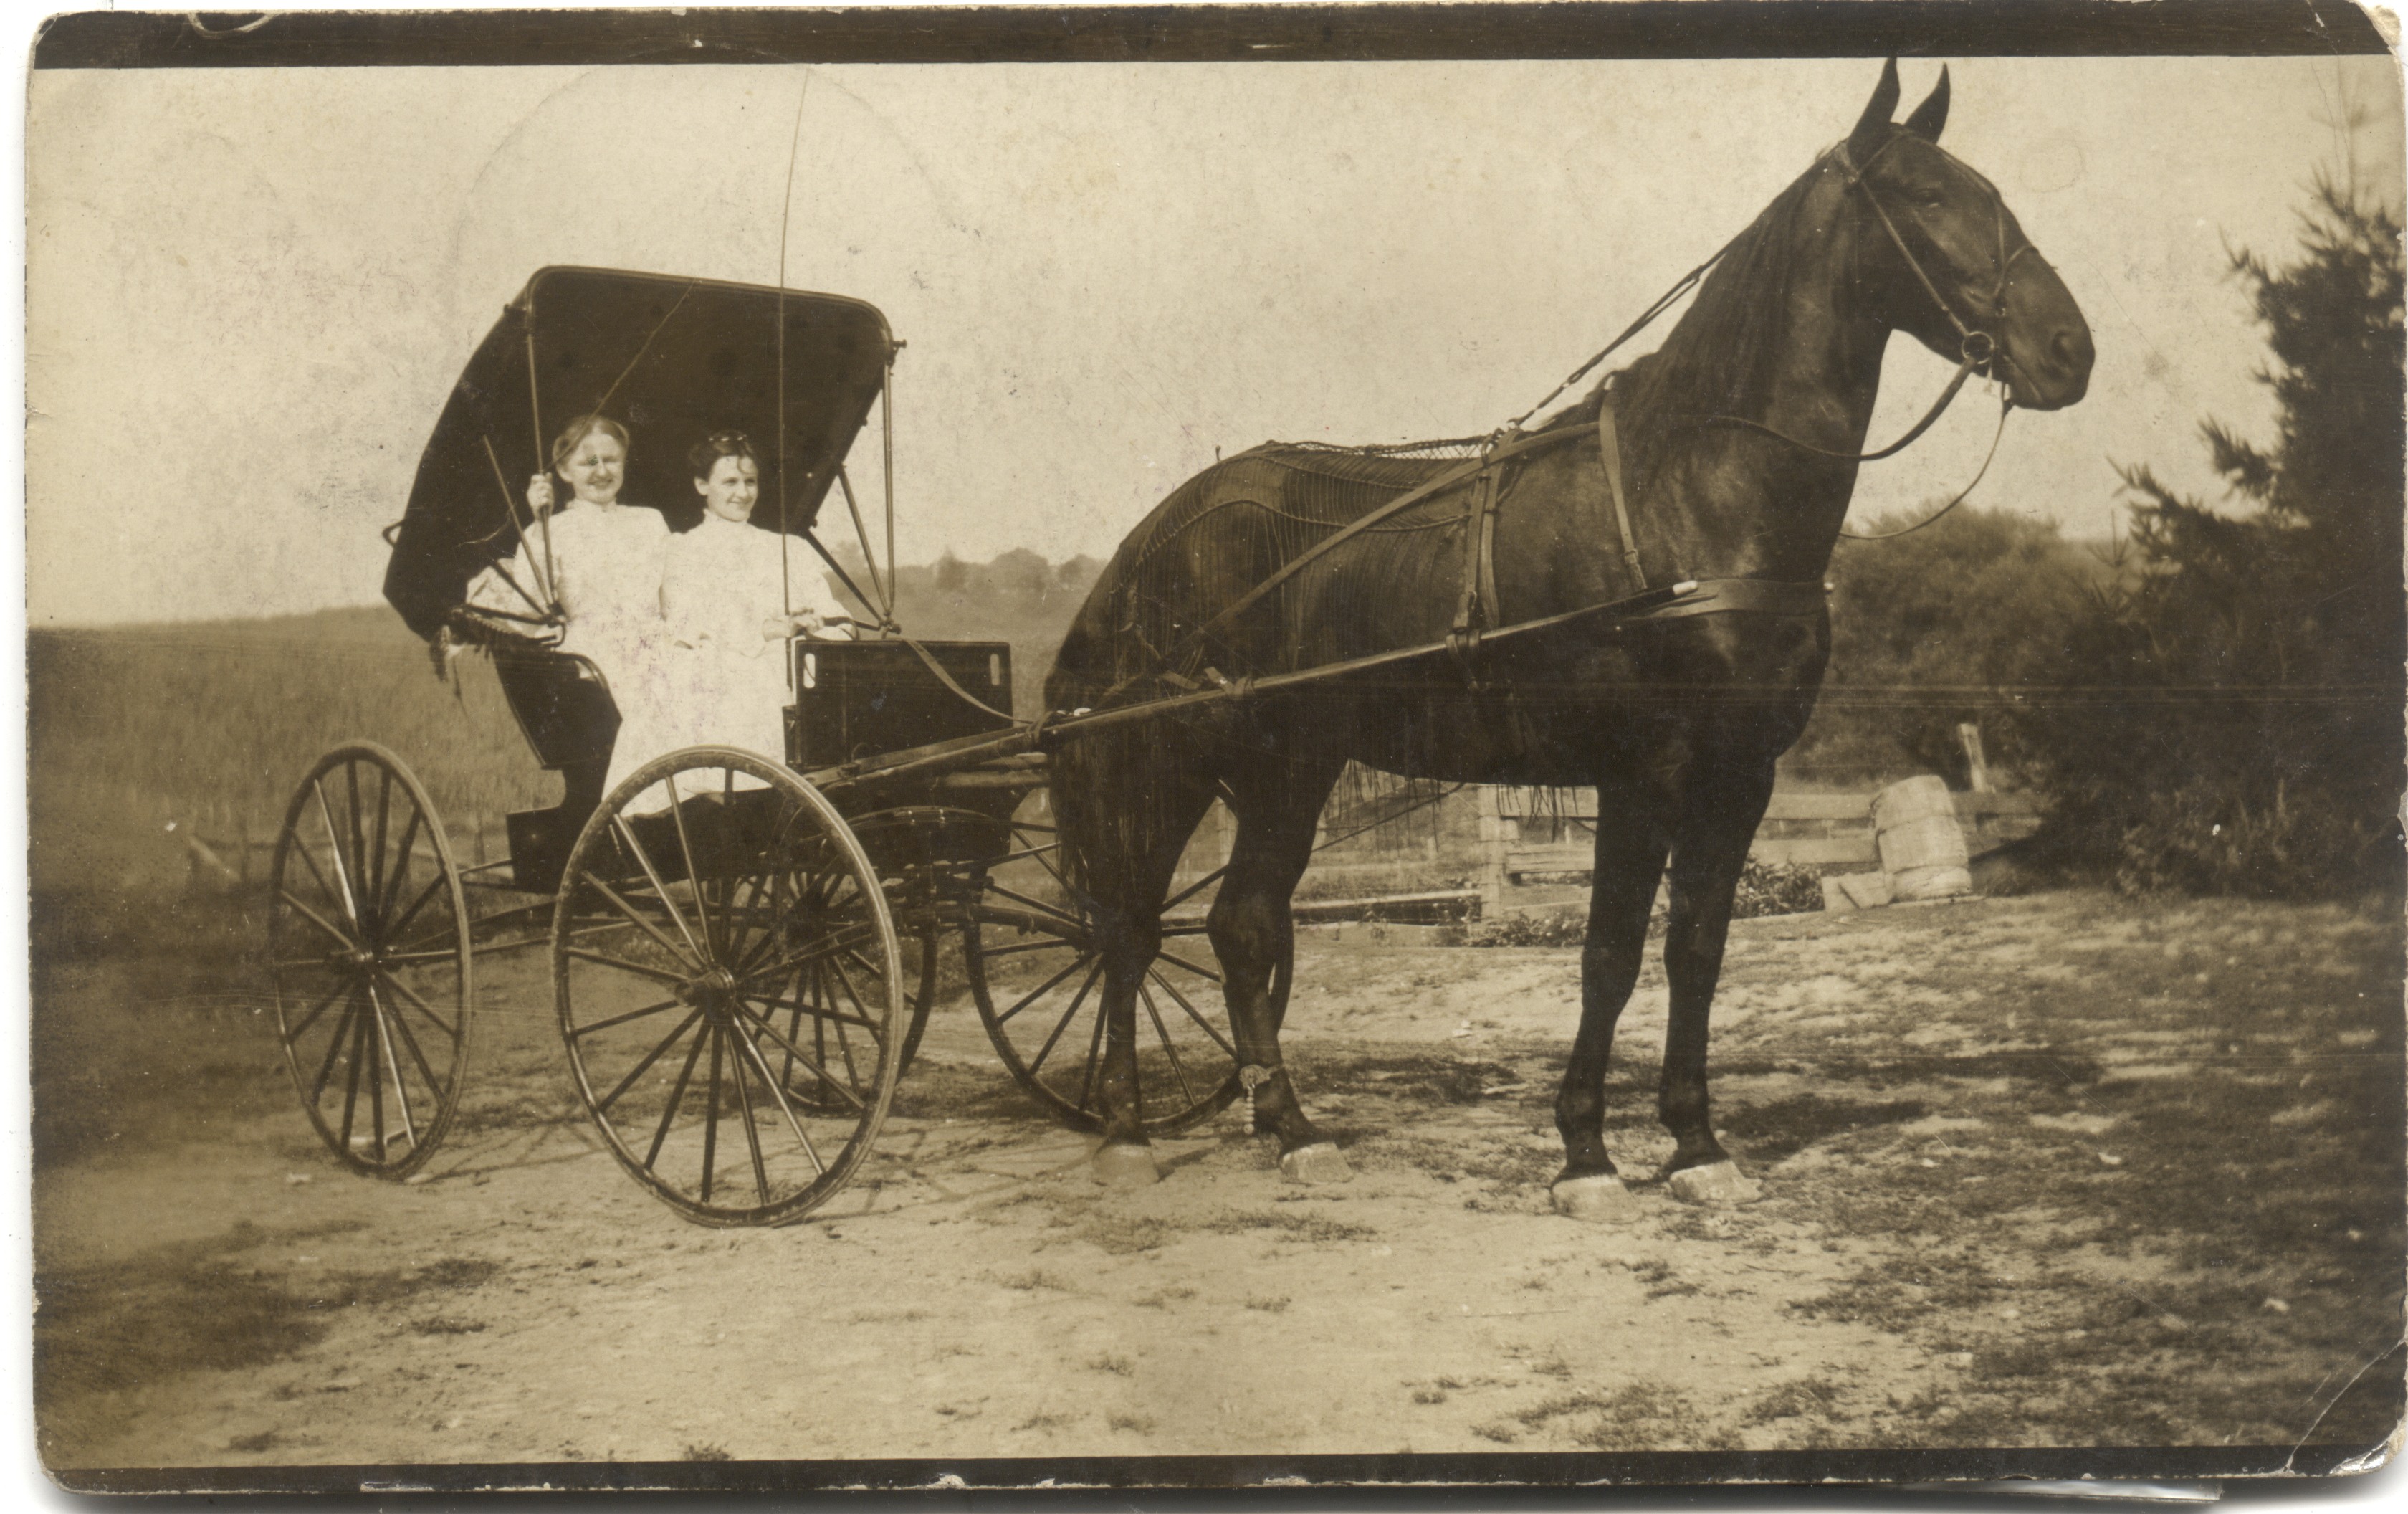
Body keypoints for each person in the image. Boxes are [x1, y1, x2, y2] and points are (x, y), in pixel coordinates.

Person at [464, 414, 674, 800]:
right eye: (588, 462)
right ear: (563, 471)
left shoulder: (650, 521)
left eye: (611, 460)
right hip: (595, 647)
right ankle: (645, 801)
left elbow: (672, 597)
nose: (601, 471)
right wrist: (540, 524)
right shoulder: (551, 531)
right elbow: (527, 616)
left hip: (656, 637)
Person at [658, 432, 853, 766]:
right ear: (702, 485)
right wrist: (767, 631)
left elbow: (828, 609)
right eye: (730, 482)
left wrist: (819, 623)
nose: (743, 493)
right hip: (727, 669)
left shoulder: (788, 547)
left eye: (750, 482)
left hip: (798, 661)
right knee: (756, 679)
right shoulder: (684, 550)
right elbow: (686, 624)